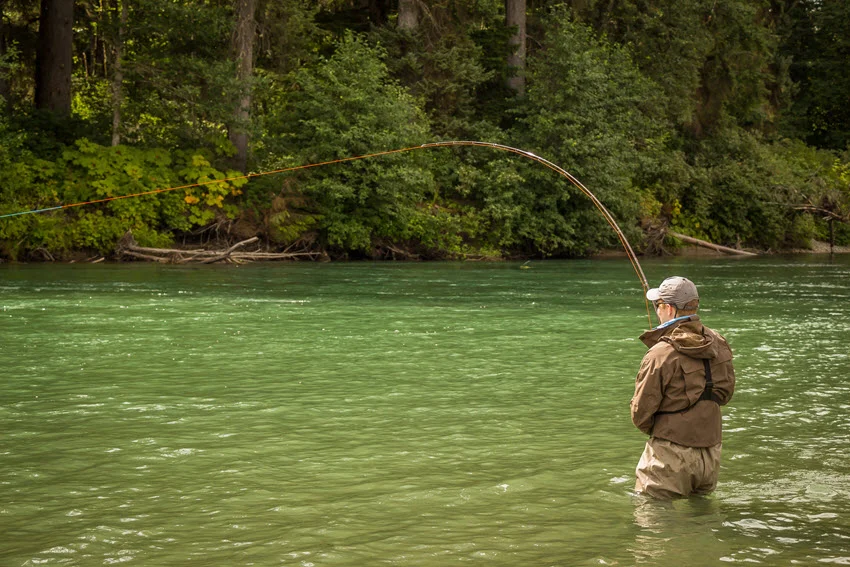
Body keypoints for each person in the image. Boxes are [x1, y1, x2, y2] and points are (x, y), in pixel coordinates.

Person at [630, 276, 735, 499]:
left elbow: (640, 413)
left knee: (654, 523)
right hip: (711, 453)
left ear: (668, 308)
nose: (657, 310)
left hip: (669, 454)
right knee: (703, 522)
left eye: (658, 305)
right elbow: (725, 395)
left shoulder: (660, 353)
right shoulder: (718, 341)